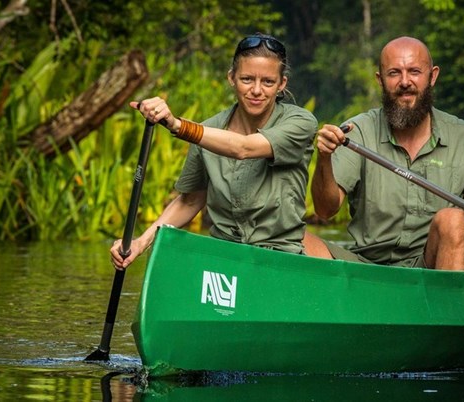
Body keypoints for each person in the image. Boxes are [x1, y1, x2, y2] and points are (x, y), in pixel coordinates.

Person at [111, 33, 318, 270]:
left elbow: (244, 147)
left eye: (268, 82)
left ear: (282, 84)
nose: (257, 90)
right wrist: (140, 243)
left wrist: (177, 125)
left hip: (280, 257)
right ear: (232, 78)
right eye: (247, 79)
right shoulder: (209, 129)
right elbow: (190, 200)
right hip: (224, 255)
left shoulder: (301, 122)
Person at [305, 36, 464, 271]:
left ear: (433, 76)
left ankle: (450, 303)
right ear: (380, 80)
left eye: (415, 71)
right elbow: (325, 210)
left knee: (453, 219)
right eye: (394, 73)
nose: (405, 82)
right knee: (289, 235)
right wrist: (325, 157)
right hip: (367, 266)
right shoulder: (357, 132)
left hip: (433, 266)